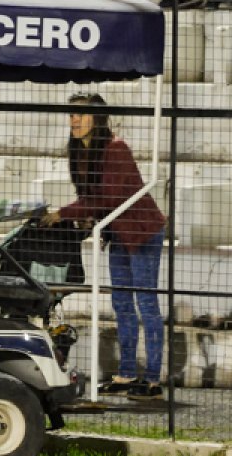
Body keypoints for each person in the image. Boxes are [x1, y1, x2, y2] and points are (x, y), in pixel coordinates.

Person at [41, 93, 167, 401]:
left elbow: (108, 197)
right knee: (121, 303)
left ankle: (152, 379)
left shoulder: (115, 148)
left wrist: (63, 213)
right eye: (71, 115)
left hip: (142, 231)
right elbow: (93, 199)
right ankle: (126, 373)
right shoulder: (79, 151)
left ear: (97, 119)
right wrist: (87, 218)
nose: (74, 120)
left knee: (146, 303)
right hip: (118, 234)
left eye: (81, 115)